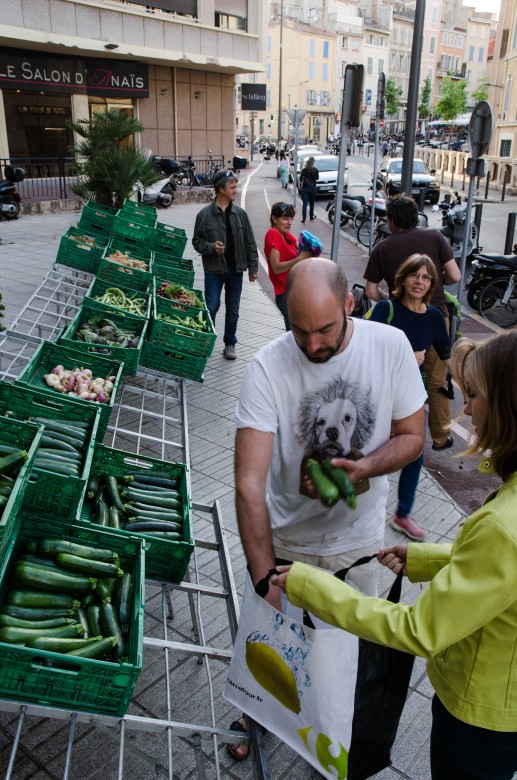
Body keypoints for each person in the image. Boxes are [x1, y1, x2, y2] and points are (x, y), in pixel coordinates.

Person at [272, 328, 517, 780]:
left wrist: (314, 587)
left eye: (477, 396)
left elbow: (419, 630)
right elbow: (504, 577)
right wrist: (429, 560)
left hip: (479, 721)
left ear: (508, 407)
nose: (467, 410)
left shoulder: (504, 525)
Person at [227, 257, 426, 760]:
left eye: (324, 330)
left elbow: (413, 438)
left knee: (346, 662)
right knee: (275, 649)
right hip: (288, 542)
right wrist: (263, 579)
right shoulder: (266, 367)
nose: (312, 345)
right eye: (299, 331)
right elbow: (249, 486)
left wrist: (365, 469)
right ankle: (259, 715)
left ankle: (335, 744)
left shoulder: (390, 347)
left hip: (357, 546)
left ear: (349, 303)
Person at [364, 194, 461, 451]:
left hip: (398, 322)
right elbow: (455, 275)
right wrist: (433, 286)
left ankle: (396, 435)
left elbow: (371, 291)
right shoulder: (435, 237)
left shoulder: (382, 248)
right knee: (438, 382)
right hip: (435, 316)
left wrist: (392, 299)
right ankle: (441, 437)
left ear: (391, 220)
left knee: (396, 379)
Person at [368, 254, 451, 540]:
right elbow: (365, 351)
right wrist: (405, 356)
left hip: (410, 396)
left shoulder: (434, 317)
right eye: (414, 275)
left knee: (415, 454)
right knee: (372, 449)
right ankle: (360, 507)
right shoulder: (385, 310)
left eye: (426, 277)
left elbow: (446, 351)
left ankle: (402, 514)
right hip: (379, 393)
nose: (419, 281)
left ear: (431, 284)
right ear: (402, 279)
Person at [192, 170, 258, 361]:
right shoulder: (204, 215)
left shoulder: (240, 215)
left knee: (233, 308)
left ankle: (230, 343)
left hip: (235, 269)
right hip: (214, 270)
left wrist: (253, 268)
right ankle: (205, 342)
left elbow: (250, 242)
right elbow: (197, 242)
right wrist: (212, 247)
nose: (236, 191)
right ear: (221, 189)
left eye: (236, 187)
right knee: (211, 306)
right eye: (233, 187)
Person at [264, 202, 312, 330]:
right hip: (285, 294)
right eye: (285, 218)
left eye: (291, 218)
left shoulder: (286, 235)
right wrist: (299, 259)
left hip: (294, 291)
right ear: (274, 218)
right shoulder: (273, 233)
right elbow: (276, 267)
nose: (289, 222)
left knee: (301, 334)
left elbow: (302, 247)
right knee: (294, 337)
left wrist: (309, 246)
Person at [299, 156, 319, 223]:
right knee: (312, 203)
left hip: (305, 188)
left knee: (304, 204)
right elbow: (317, 178)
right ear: (313, 163)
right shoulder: (315, 170)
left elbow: (301, 179)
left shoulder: (304, 170)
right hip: (313, 188)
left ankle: (304, 218)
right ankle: (311, 216)